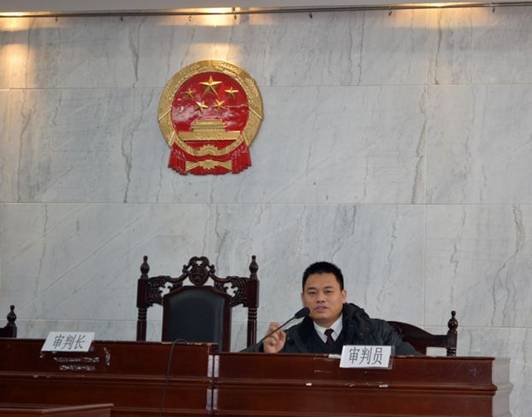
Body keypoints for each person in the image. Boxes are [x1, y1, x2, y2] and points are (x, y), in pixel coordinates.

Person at [251, 261, 418, 355]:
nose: (320, 298)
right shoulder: (287, 339)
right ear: (303, 298)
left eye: (328, 291)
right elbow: (241, 366)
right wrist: (266, 354)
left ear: (343, 295)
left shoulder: (377, 332)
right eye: (312, 293)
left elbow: (416, 365)